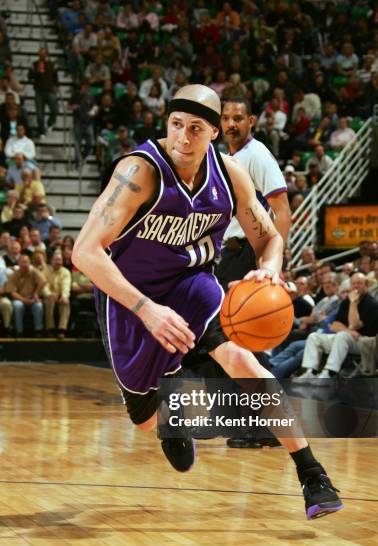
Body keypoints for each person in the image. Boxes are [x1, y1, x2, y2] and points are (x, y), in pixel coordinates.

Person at [72, 84, 343, 520]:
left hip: (192, 284)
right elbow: (84, 251)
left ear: (214, 132)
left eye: (195, 128)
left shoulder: (230, 174)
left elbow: (269, 236)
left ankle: (313, 476)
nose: (183, 136)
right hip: (130, 297)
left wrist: (270, 268)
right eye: (176, 125)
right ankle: (173, 421)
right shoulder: (139, 172)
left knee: (245, 363)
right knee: (143, 420)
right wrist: (146, 309)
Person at [217, 96, 291, 449]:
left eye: (238, 118)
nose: (232, 124)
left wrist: (272, 264)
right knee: (235, 340)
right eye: (226, 118)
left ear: (252, 121)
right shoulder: (225, 159)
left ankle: (263, 427)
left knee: (249, 340)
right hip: (229, 255)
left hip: (250, 253)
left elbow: (281, 208)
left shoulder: (257, 154)